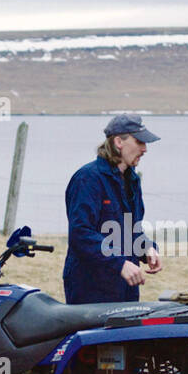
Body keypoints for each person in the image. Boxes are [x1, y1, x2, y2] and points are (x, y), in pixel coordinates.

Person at [63, 114, 163, 304]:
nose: (145, 149)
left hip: (126, 287)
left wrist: (147, 249)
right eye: (139, 141)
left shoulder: (132, 180)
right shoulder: (87, 179)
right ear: (119, 141)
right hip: (90, 290)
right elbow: (80, 234)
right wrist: (119, 263)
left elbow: (130, 230)